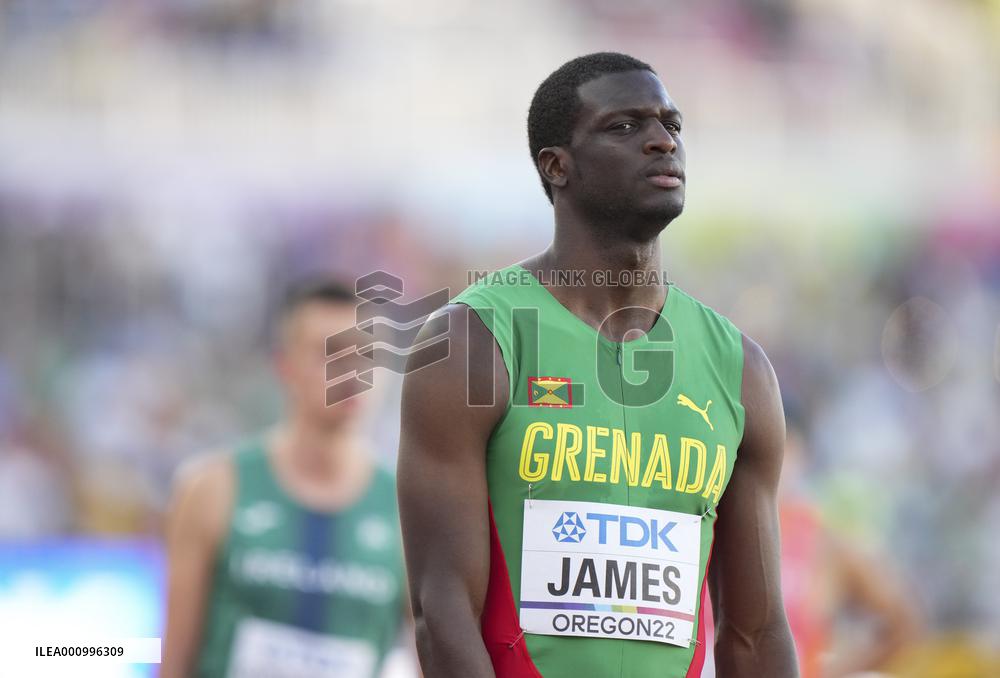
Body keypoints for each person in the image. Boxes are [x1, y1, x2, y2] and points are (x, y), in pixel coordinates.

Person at [398, 52, 799, 677]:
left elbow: (757, 633)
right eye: (625, 126)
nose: (663, 141)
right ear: (557, 166)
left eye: (672, 124)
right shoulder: (472, 341)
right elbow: (441, 610)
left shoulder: (740, 368)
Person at [162, 280, 409, 678]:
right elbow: (174, 663)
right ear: (285, 365)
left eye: (366, 355)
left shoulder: (406, 509)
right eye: (330, 353)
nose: (351, 371)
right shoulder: (212, 489)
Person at [777, 417, 919, 678]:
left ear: (803, 456)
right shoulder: (713, 525)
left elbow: (903, 621)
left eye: (784, 450)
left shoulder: (825, 543)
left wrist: (831, 671)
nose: (773, 462)